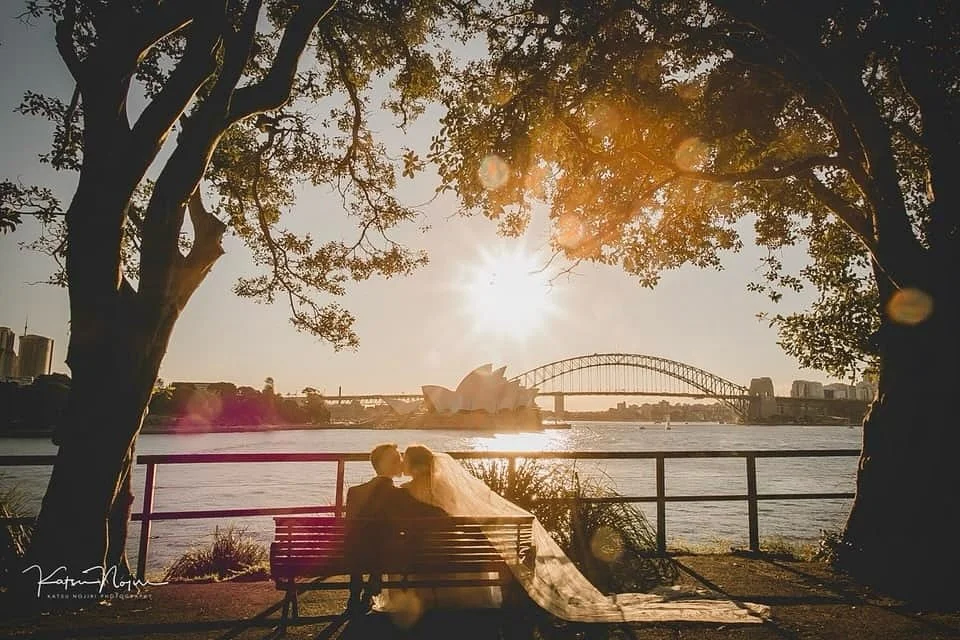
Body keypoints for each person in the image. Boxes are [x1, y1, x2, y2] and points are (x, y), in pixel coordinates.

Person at [373, 444, 770, 625]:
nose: (402, 464)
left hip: (426, 566)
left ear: (412, 466)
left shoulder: (404, 494)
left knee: (409, 551)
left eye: (404, 460)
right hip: (461, 563)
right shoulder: (447, 492)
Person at [343, 443, 446, 615]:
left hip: (354, 556)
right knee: (386, 541)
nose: (401, 462)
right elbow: (432, 515)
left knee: (366, 538)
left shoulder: (354, 492)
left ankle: (356, 592)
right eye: (396, 459)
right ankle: (371, 589)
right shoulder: (399, 494)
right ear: (384, 464)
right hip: (383, 557)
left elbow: (351, 530)